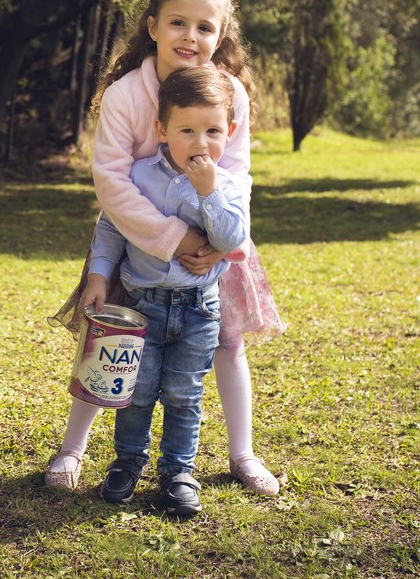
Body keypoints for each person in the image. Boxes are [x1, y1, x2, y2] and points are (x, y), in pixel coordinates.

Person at [45, 0, 284, 497]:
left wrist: (220, 245)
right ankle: (73, 449)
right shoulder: (126, 95)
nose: (190, 37)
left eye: (205, 27)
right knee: (110, 342)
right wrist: (174, 239)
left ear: (220, 36)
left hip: (216, 244)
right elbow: (111, 181)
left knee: (226, 343)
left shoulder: (230, 93)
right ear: (153, 27)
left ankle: (243, 453)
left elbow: (238, 174)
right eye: (178, 23)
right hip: (135, 239)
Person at [89, 65, 247, 516]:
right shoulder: (140, 176)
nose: (201, 143)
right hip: (143, 306)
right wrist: (98, 276)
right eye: (187, 130)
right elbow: (113, 228)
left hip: (199, 310)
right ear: (162, 130)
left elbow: (232, 238)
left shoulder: (228, 185)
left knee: (184, 393)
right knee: (136, 391)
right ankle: (127, 462)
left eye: (213, 131)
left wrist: (209, 192)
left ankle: (178, 472)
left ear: (229, 131)